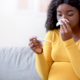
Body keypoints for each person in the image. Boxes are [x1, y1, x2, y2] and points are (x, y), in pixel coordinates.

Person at [29, 0, 80, 80]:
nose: (63, 19)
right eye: (59, 14)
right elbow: (44, 76)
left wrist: (68, 41)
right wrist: (39, 53)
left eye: (70, 14)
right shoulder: (51, 35)